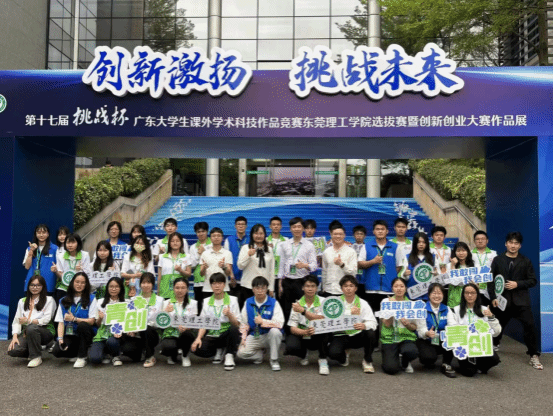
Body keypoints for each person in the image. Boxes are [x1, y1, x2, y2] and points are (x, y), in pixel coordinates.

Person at [488, 232, 543, 370]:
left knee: (530, 326)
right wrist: (493, 297)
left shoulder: (525, 261)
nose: (513, 245)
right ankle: (494, 344)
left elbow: (532, 281)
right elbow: (491, 280)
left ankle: (533, 355)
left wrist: (517, 284)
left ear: (520, 245)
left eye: (516, 243)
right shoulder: (498, 260)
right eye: (511, 242)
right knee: (497, 326)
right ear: (506, 244)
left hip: (521, 301)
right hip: (502, 301)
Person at [448, 283, 502, 377]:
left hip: (480, 345)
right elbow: (453, 331)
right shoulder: (455, 310)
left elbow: (496, 332)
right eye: (467, 293)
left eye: (473, 293)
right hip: (464, 347)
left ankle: (479, 365)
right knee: (469, 372)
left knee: (495, 360)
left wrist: (491, 317)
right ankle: (471, 364)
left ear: (477, 295)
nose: (470, 295)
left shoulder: (484, 309)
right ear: (463, 294)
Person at [328, 276, 379, 374]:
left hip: (358, 335)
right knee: (332, 353)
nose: (348, 288)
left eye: (351, 286)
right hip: (342, 335)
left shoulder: (363, 303)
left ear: (356, 288)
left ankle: (367, 360)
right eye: (345, 286)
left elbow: (373, 322)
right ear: (341, 288)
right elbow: (330, 321)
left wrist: (364, 325)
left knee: (371, 333)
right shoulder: (335, 302)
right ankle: (344, 357)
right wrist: (349, 313)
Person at [191, 273, 242, 371]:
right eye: (214, 283)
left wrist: (229, 315)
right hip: (213, 335)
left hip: (226, 334)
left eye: (219, 283)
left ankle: (229, 355)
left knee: (233, 329)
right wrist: (198, 338)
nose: (217, 286)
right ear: (211, 286)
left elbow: (237, 324)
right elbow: (203, 323)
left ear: (224, 285)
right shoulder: (206, 301)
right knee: (196, 349)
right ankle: (219, 350)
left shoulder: (233, 300)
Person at [89, 276, 142, 366]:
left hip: (120, 335)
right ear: (107, 288)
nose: (113, 289)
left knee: (113, 341)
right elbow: (98, 324)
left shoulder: (126, 302)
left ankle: (115, 356)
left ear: (121, 288)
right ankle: (106, 352)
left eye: (116, 287)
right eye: (111, 286)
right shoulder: (100, 302)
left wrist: (129, 331)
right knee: (95, 359)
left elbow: (131, 321)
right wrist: (100, 318)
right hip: (103, 334)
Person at [237, 276, 285, 371]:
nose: (260, 291)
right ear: (252, 289)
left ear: (267, 289)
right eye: (257, 288)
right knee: (241, 353)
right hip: (254, 334)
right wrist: (243, 337)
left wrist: (263, 321)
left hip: (268, 335)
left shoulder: (274, 303)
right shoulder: (248, 302)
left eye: (263, 288)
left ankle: (274, 360)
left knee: (275, 332)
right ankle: (259, 355)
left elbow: (279, 323)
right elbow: (244, 323)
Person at [285, 275, 329, 375]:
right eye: (307, 286)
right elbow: (292, 327)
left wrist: (304, 311)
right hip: (303, 334)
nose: (310, 289)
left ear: (317, 288)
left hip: (318, 335)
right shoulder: (297, 304)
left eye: (313, 286)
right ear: (302, 288)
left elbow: (325, 319)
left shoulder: (324, 302)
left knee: (325, 330)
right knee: (291, 345)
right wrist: (304, 332)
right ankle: (303, 354)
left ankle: (322, 359)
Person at [380, 278, 426, 375]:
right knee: (391, 369)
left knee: (412, 352)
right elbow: (387, 324)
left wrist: (408, 324)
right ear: (392, 288)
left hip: (405, 337)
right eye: (396, 286)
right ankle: (392, 357)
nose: (399, 289)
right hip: (390, 338)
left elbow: (414, 327)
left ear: (406, 288)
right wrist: (392, 308)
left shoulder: (412, 304)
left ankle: (405, 362)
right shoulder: (386, 301)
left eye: (402, 286)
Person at [8, 275, 56, 368]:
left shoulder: (49, 300)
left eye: (38, 285)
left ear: (43, 287)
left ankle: (36, 357)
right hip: (28, 333)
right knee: (13, 351)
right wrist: (14, 336)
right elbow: (17, 321)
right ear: (28, 286)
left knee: (31, 327)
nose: (35, 287)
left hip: (45, 332)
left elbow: (46, 320)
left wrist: (29, 321)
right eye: (32, 285)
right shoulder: (22, 301)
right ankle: (34, 349)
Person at [52, 272, 97, 368]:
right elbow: (60, 322)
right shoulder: (63, 300)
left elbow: (92, 321)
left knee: (83, 325)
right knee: (57, 351)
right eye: (77, 282)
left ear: (86, 285)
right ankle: (76, 353)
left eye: (82, 283)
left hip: (86, 333)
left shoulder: (91, 299)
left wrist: (74, 319)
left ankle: (82, 357)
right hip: (71, 333)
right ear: (72, 283)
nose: (79, 285)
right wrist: (60, 339)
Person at [278, 217, 318, 326]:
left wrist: (305, 265)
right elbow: (281, 264)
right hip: (287, 281)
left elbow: (314, 266)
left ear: (303, 228)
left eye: (299, 226)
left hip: (302, 281)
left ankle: (302, 329)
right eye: (294, 227)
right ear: (290, 229)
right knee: (286, 308)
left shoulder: (309, 245)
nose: (296, 229)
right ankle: (288, 332)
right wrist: (280, 283)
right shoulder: (284, 244)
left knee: (302, 308)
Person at [358, 220, 404, 313]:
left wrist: (390, 275)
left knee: (388, 317)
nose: (380, 231)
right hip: (371, 289)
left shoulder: (395, 247)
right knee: (372, 316)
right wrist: (373, 262)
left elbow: (399, 267)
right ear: (373, 231)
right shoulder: (367, 246)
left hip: (389, 290)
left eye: (382, 229)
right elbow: (360, 264)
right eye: (377, 229)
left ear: (387, 231)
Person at [416, 283, 456, 378]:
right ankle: (429, 359)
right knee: (428, 358)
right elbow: (420, 330)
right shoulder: (422, 309)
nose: (437, 296)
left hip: (442, 339)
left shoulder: (446, 309)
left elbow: (452, 325)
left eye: (439, 293)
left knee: (453, 337)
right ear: (429, 295)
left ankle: (446, 364)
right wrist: (427, 333)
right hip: (426, 339)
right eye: (434, 293)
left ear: (443, 295)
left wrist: (451, 332)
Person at [159, 278, 198, 367]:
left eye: (183, 288)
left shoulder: (193, 303)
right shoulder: (166, 303)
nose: (180, 290)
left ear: (187, 289)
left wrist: (187, 327)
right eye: (177, 288)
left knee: (187, 335)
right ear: (173, 289)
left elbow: (194, 321)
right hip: (171, 332)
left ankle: (185, 355)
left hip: (185, 332)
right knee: (168, 347)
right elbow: (161, 322)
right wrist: (165, 312)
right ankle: (172, 355)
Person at [238, 224, 275, 305]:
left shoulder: (269, 250)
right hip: (248, 286)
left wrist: (271, 288)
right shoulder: (245, 248)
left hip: (264, 288)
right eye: (256, 233)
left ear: (265, 235)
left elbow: (272, 270)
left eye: (261, 233)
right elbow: (240, 266)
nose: (259, 236)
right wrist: (248, 255)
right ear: (252, 235)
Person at [52, 233, 91, 302]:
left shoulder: (85, 255)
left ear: (78, 243)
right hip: (65, 287)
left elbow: (88, 273)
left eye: (73, 242)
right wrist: (56, 271)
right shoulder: (60, 256)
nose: (70, 245)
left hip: (79, 286)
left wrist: (81, 269)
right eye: (68, 242)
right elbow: (60, 274)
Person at [321, 224, 358, 297]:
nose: (338, 236)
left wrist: (342, 264)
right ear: (331, 235)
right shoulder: (326, 252)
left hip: (344, 291)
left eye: (340, 234)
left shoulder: (351, 252)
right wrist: (324, 287)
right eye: (335, 234)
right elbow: (324, 271)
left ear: (344, 235)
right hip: (329, 290)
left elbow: (353, 273)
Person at [23, 224, 58, 296]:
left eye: (44, 232)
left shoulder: (55, 249)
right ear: (35, 234)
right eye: (39, 232)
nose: (41, 235)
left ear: (48, 234)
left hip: (48, 284)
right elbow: (27, 267)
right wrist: (31, 252)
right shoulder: (30, 248)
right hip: (32, 284)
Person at [157, 232, 191, 300]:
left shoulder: (186, 256)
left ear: (181, 243)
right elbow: (159, 276)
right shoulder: (162, 257)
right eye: (172, 241)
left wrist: (180, 270)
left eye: (177, 241)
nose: (175, 243)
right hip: (165, 291)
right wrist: (158, 292)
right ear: (169, 243)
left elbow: (189, 274)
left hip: (180, 292)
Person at [403, 232, 436, 301]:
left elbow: (438, 275)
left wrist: (436, 274)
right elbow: (403, 276)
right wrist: (405, 274)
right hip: (412, 294)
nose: (421, 244)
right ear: (414, 243)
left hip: (428, 294)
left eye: (423, 242)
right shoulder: (408, 257)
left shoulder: (433, 257)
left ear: (427, 244)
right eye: (418, 242)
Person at [200, 228, 234, 296]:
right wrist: (204, 268)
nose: (216, 238)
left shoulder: (228, 253)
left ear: (222, 238)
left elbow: (228, 273)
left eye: (218, 235)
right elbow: (201, 274)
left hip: (223, 288)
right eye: (214, 236)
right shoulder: (205, 253)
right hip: (208, 288)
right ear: (210, 238)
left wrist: (223, 267)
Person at [224, 216, 249, 299]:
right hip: (232, 280)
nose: (241, 226)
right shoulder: (229, 240)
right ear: (235, 226)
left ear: (246, 226)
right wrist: (231, 275)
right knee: (232, 304)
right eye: (238, 224)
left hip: (247, 280)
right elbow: (227, 260)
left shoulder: (251, 240)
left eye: (243, 224)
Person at [189, 222, 212, 308]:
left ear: (207, 231)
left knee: (210, 306)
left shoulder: (213, 244)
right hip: (198, 281)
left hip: (211, 280)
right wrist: (199, 255)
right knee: (199, 307)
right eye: (198, 232)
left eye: (203, 231)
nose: (201, 234)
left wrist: (204, 253)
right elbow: (192, 265)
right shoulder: (193, 247)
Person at [472, 231, 497, 304]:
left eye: (483, 239)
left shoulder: (493, 254)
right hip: (474, 288)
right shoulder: (470, 254)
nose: (480, 241)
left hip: (488, 289)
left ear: (487, 240)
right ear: (474, 241)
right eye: (477, 239)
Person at [448, 242, 475, 307]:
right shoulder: (449, 265)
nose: (461, 253)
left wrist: (475, 285)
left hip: (469, 298)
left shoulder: (473, 266)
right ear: (454, 252)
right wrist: (453, 265)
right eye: (458, 251)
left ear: (467, 252)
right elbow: (453, 281)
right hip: (454, 299)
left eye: (463, 250)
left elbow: (477, 285)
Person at [267, 216, 289, 298]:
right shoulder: (265, 240)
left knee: (281, 300)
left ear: (281, 226)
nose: (276, 226)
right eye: (274, 224)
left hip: (282, 276)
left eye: (278, 224)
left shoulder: (286, 240)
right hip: (269, 276)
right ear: (270, 226)